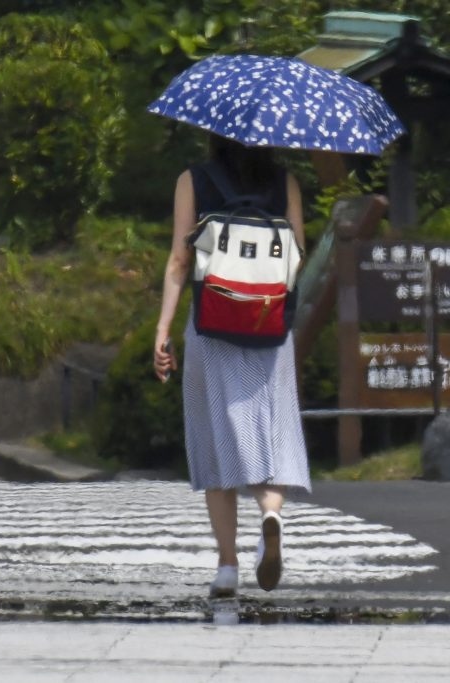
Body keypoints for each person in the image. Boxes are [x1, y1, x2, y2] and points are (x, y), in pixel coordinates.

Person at [153, 134, 311, 597]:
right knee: (273, 429)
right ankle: (271, 512)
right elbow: (297, 255)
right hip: (270, 326)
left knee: (213, 438)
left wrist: (163, 328)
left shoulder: (193, 180)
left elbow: (180, 261)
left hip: (211, 326)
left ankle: (227, 565)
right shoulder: (287, 183)